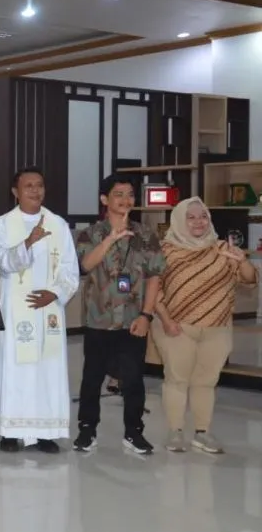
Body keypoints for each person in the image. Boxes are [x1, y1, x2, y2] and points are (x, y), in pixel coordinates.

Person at [152, 197, 256, 453]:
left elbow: (250, 280)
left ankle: (202, 433)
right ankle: (175, 432)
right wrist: (166, 321)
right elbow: (153, 289)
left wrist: (242, 260)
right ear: (179, 220)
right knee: (177, 380)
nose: (198, 222)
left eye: (203, 216)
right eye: (191, 217)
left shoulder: (222, 248)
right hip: (176, 327)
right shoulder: (165, 250)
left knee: (206, 382)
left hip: (217, 328)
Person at [0, 167, 79, 453]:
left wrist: (55, 293)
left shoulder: (58, 224)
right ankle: (10, 431)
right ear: (15, 192)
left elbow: (70, 267)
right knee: (14, 365)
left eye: (39, 185)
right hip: (16, 309)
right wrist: (28, 242)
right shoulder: (2, 224)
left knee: (47, 366)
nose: (35, 190)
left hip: (48, 308)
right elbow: (2, 261)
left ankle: (45, 432)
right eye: (28, 186)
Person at [74, 173, 165, 455]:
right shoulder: (90, 234)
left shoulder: (146, 235)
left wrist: (146, 316)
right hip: (98, 319)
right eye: (118, 194)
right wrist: (110, 240)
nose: (126, 200)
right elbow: (85, 265)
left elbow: (154, 276)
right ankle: (87, 430)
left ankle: (133, 432)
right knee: (92, 378)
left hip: (132, 319)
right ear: (104, 199)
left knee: (134, 379)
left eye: (130, 195)